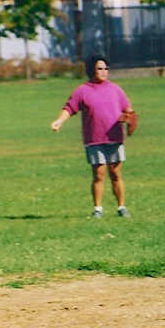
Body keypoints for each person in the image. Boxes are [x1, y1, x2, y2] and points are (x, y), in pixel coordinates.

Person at [51, 54, 134, 218]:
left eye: (106, 68)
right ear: (91, 70)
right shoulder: (82, 91)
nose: (103, 71)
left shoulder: (115, 89)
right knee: (98, 174)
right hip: (94, 139)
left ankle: (121, 207)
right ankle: (98, 209)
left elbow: (128, 110)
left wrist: (130, 118)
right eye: (99, 68)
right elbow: (69, 108)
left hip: (114, 138)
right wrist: (59, 121)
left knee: (116, 174)